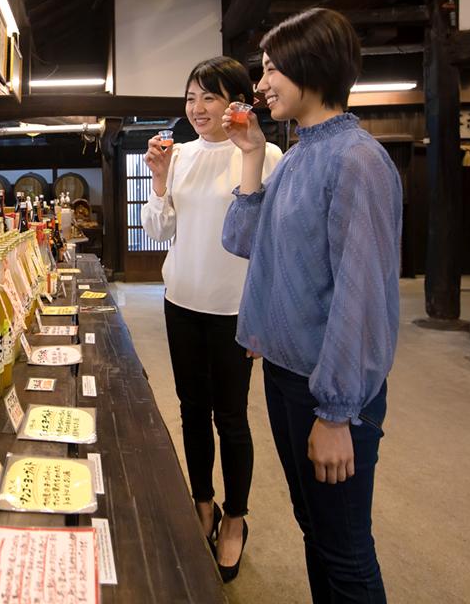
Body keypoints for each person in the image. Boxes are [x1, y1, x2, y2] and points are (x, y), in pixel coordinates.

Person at [221, 8, 401, 603]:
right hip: (285, 373)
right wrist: (250, 154)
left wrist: (336, 413)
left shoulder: (357, 160)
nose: (261, 82)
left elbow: (363, 296)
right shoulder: (297, 154)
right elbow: (245, 242)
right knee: (317, 532)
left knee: (345, 553)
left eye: (272, 68)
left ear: (313, 67)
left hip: (328, 389)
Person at [140, 56, 282, 581]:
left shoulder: (265, 155)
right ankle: (203, 504)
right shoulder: (179, 156)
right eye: (191, 98)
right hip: (181, 302)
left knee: (232, 418)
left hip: (234, 309)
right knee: (191, 411)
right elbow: (159, 231)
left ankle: (236, 519)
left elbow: (271, 243)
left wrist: (264, 315)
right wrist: (158, 179)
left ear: (237, 101)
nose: (197, 109)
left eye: (210, 97)